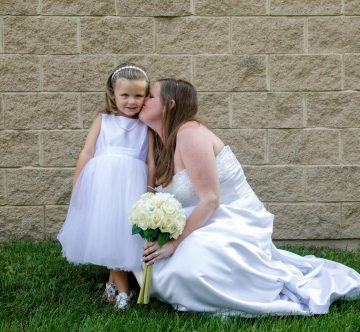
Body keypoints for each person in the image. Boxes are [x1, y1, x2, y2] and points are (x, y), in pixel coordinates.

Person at [138, 78, 360, 316]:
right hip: (210, 217)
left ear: (169, 105)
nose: (142, 100)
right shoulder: (163, 140)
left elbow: (211, 199)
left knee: (191, 264)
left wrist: (173, 244)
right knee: (152, 259)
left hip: (235, 219)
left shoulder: (189, 134)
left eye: (150, 96)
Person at [58, 64, 155, 310]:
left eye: (138, 95)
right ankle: (122, 289)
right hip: (103, 184)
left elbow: (150, 160)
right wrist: (78, 182)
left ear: (146, 96)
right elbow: (87, 151)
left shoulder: (146, 126)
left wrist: (150, 189)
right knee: (108, 228)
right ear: (113, 93)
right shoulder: (103, 121)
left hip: (131, 184)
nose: (131, 101)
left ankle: (116, 285)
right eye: (125, 95)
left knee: (122, 231)